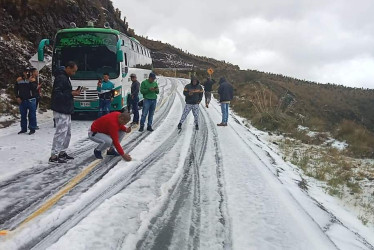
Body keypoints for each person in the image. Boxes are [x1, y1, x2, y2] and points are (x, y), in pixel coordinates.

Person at [49, 61, 81, 163]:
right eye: (73, 71)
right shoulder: (61, 78)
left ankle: (62, 152)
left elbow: (64, 92)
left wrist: (72, 93)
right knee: (61, 132)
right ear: (67, 68)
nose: (73, 73)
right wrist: (71, 94)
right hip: (61, 108)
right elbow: (57, 94)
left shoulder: (65, 77)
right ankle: (54, 155)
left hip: (66, 108)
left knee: (67, 132)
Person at [14, 68, 37, 135]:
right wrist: (17, 96)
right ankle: (23, 129)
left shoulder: (32, 79)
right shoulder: (19, 79)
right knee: (23, 115)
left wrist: (30, 82)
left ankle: (32, 128)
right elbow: (15, 89)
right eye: (25, 72)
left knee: (32, 115)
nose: (26, 73)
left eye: (27, 72)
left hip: (31, 99)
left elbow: (34, 88)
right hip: (22, 100)